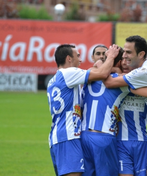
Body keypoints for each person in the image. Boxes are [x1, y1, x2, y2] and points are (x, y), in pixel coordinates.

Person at [80, 45, 147, 176]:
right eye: (123, 59)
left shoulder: (138, 79)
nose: (125, 62)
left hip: (141, 141)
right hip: (120, 142)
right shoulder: (121, 82)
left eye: (128, 59)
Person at [47, 44, 120, 176]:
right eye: (78, 56)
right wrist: (111, 56)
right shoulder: (69, 73)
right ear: (69, 58)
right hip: (68, 137)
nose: (80, 60)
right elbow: (102, 73)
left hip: (58, 136)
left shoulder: (54, 79)